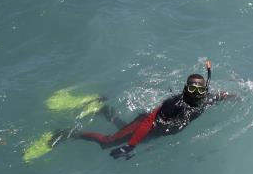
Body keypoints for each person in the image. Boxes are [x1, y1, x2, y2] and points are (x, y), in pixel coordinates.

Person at [51, 68, 236, 159]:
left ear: (205, 90)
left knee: (123, 129)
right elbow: (148, 121)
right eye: (191, 89)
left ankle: (103, 109)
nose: (195, 94)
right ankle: (67, 133)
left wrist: (233, 96)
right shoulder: (174, 103)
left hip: (156, 131)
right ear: (185, 89)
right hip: (146, 126)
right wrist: (131, 146)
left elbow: (219, 96)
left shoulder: (206, 98)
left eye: (200, 90)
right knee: (108, 142)